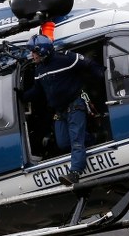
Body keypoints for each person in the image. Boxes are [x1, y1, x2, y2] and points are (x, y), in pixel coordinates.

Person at [21, 34, 104, 186]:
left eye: (34, 52)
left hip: (75, 105)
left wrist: (103, 75)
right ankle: (92, 138)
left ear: (43, 51)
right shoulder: (39, 70)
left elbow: (89, 64)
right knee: (63, 142)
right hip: (60, 112)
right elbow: (37, 91)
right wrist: (21, 96)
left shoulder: (66, 59)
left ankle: (75, 173)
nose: (32, 55)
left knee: (76, 141)